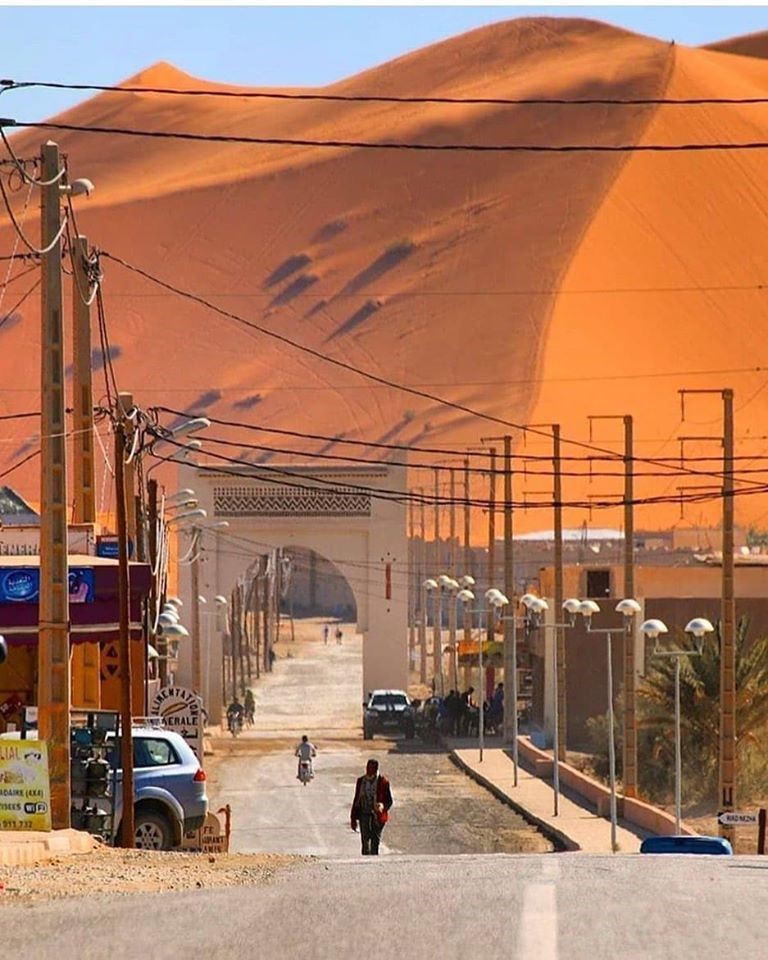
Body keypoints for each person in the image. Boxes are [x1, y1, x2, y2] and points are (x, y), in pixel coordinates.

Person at [350, 758, 393, 856]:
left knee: (375, 841)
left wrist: (382, 806)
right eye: (367, 767)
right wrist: (353, 818)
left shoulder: (383, 782)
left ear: (376, 769)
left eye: (371, 768)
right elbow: (357, 799)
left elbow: (389, 801)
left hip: (377, 816)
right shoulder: (361, 781)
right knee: (365, 841)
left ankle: (374, 862)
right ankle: (365, 862)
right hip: (363, 815)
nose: (368, 770)